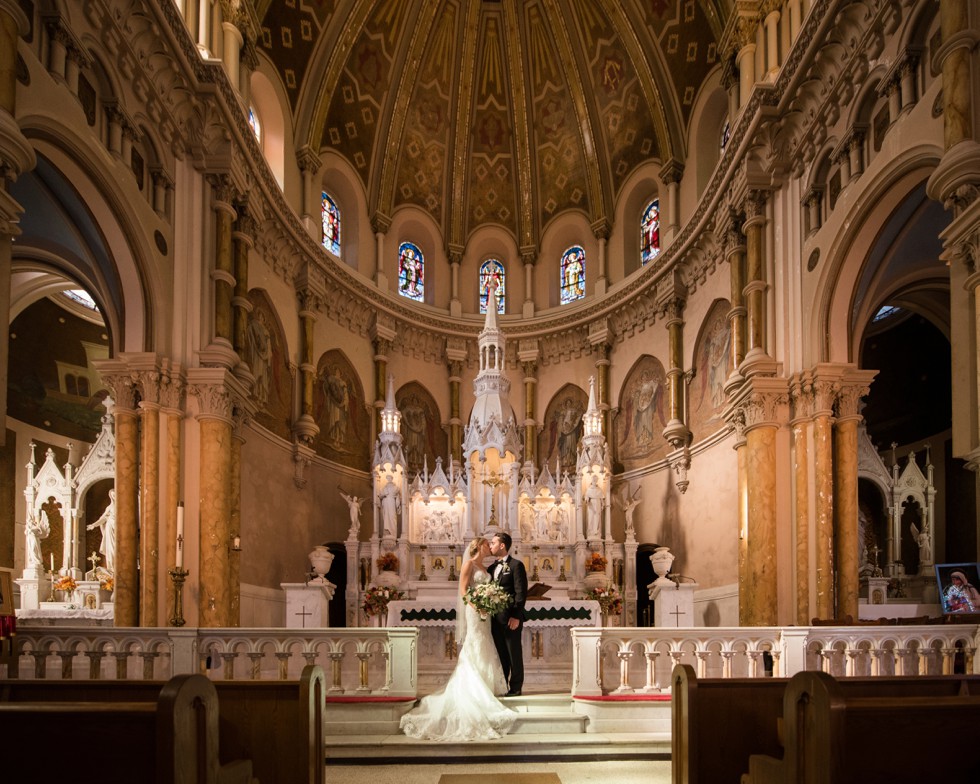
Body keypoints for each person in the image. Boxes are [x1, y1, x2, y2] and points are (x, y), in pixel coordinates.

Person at [399, 538, 516, 741]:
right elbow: (463, 591)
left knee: (485, 644)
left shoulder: (485, 566)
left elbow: (486, 588)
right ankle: (473, 689)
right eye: (487, 544)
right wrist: (476, 605)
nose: (490, 547)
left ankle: (485, 687)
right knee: (475, 643)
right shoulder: (469, 564)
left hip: (485, 613)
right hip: (474, 611)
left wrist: (489, 600)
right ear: (479, 546)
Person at [488, 531, 528, 696]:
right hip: (494, 619)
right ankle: (503, 685)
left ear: (502, 545)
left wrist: (516, 616)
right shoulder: (491, 568)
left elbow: (521, 593)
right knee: (501, 655)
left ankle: (516, 687)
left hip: (511, 618)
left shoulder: (515, 565)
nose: (491, 546)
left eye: (493, 543)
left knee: (514, 654)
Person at [87, 490, 116, 573]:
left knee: (118, 549)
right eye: (112, 495)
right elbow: (102, 519)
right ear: (111, 497)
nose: (114, 497)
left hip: (119, 529)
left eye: (115, 495)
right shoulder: (110, 507)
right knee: (111, 549)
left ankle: (118, 567)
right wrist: (94, 525)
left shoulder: (123, 506)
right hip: (110, 529)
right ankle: (111, 569)